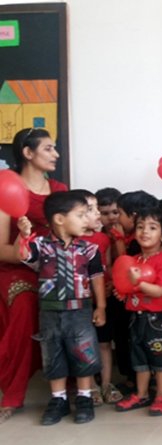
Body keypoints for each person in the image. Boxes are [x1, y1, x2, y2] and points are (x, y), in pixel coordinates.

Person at [17, 191, 106, 425]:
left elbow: (97, 277)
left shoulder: (89, 249)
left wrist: (101, 306)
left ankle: (85, 397)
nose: (86, 220)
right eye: (81, 215)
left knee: (83, 352)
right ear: (59, 219)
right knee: (53, 353)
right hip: (50, 312)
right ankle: (59, 399)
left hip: (80, 311)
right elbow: (25, 256)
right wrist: (24, 235)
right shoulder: (40, 245)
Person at [0, 128, 67, 424]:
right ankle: (12, 395)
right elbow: (2, 250)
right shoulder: (6, 187)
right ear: (28, 153)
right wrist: (28, 252)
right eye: (48, 148)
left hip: (57, 267)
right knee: (25, 305)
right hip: (17, 268)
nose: (56, 154)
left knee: (71, 305)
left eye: (55, 148)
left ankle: (75, 388)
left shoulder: (59, 189)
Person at [115, 206, 162, 416]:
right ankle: (141, 394)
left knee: (160, 358)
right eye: (140, 227)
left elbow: (160, 291)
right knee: (139, 358)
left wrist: (138, 283)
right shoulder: (134, 260)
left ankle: (161, 395)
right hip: (136, 318)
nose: (145, 232)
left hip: (157, 320)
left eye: (152, 227)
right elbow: (127, 285)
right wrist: (123, 292)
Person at [73, 189, 122, 405]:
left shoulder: (103, 238)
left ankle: (107, 383)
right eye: (90, 210)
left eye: (95, 210)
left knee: (104, 342)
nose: (96, 215)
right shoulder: (72, 240)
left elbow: (108, 264)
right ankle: (91, 384)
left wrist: (111, 283)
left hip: (103, 298)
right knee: (84, 343)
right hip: (81, 302)